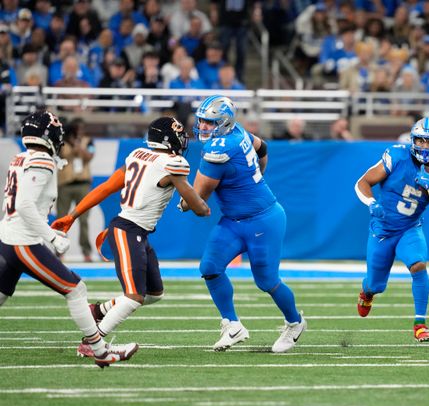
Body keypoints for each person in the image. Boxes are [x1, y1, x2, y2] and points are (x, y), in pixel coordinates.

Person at [51, 117, 210, 357]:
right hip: (128, 230)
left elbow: (106, 188)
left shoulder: (137, 154)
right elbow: (200, 209)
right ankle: (93, 343)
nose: (182, 140)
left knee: (154, 294)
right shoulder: (174, 164)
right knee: (134, 296)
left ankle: (98, 311)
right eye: (178, 135)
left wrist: (72, 215)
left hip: (136, 232)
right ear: (169, 139)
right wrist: (202, 197)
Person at [0, 111, 138, 368]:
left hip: (8, 237)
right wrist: (51, 236)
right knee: (76, 289)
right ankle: (99, 350)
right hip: (22, 241)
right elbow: (24, 205)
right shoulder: (42, 159)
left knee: (1, 294)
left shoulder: (21, 157)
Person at [186, 95, 306, 352]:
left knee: (267, 281)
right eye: (202, 121)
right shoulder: (238, 131)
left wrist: (174, 186)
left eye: (209, 122)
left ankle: (295, 322)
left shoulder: (218, 150)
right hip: (234, 220)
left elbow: (196, 199)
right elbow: (263, 148)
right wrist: (260, 173)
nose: (203, 126)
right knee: (210, 267)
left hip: (263, 219)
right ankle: (233, 325)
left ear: (223, 122)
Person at [354, 117, 429, 342]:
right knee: (376, 285)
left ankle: (420, 324)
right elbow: (362, 182)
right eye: (421, 140)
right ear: (412, 140)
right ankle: (367, 292)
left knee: (418, 265)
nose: (425, 146)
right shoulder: (397, 156)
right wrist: (371, 203)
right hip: (382, 231)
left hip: (410, 229)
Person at [56, 118, 94, 261]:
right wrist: (69, 143)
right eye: (77, 128)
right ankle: (59, 252)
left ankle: (86, 252)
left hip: (82, 184)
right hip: (65, 184)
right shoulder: (62, 142)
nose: (80, 131)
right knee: (61, 219)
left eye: (81, 128)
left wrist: (79, 147)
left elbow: (90, 156)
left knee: (84, 220)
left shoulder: (88, 141)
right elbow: (59, 156)